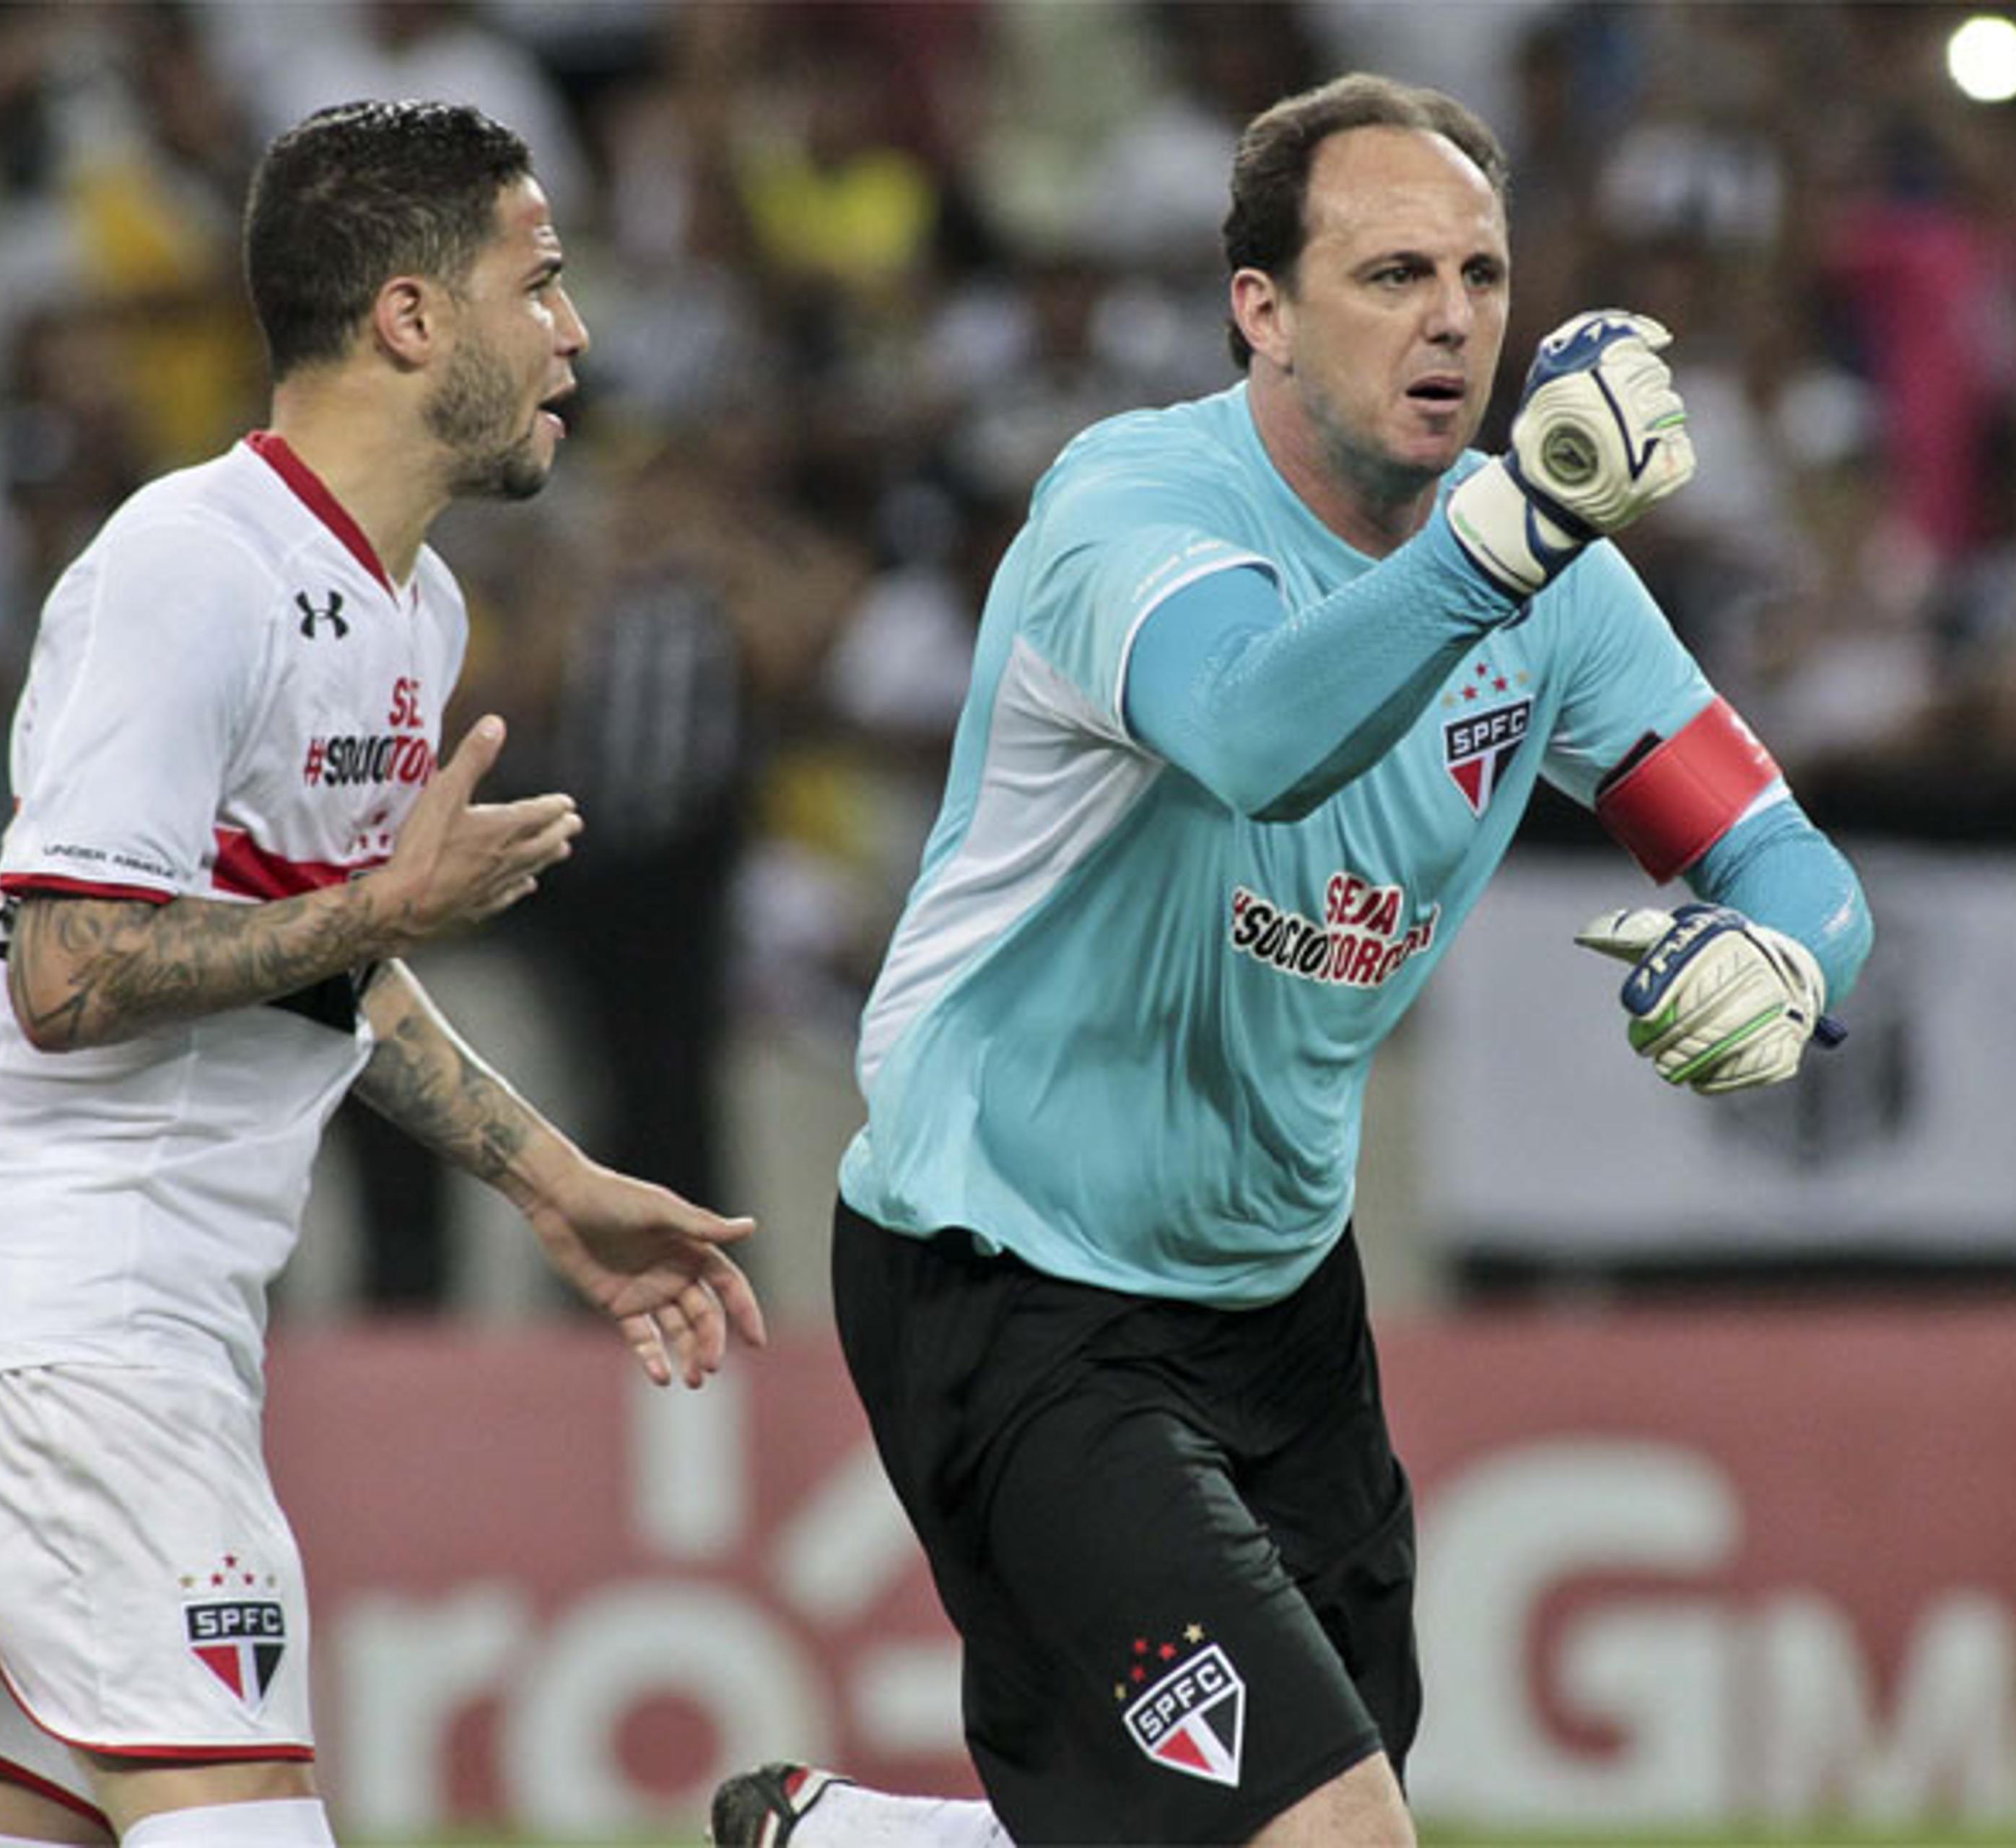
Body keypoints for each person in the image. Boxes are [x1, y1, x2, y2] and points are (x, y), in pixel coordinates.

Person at [710, 71, 1869, 1848]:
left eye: (1482, 275)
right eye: (1393, 272)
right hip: (1009, 1277)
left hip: (1279, 1306)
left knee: (1230, 1826)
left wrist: (1788, 957)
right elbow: (1255, 731)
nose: (1454, 321)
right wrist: (1509, 547)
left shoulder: (1542, 579)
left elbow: (1773, 845)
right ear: (1260, 308)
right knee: (1330, 1833)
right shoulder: (1134, 514)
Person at [0, 100, 767, 1848]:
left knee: (25, 1831)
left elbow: (321, 955)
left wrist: (553, 1180)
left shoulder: (417, 608)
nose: (577, 333)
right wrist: (375, 910)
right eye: (538, 283)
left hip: (123, 1301)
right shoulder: (191, 567)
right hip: (58, 1300)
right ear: (411, 318)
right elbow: (67, 967)